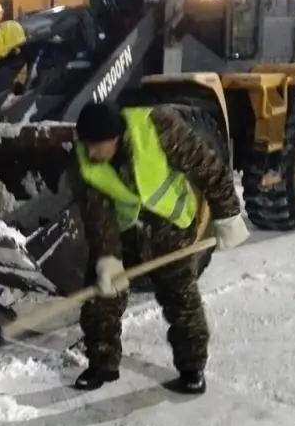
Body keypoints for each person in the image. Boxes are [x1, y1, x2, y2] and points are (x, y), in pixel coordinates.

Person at [71, 101, 250, 395]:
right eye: (86, 144)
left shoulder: (159, 127)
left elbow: (206, 165)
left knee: (180, 295)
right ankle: (102, 363)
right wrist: (108, 256)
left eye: (95, 145)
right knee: (102, 294)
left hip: (169, 225)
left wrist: (227, 213)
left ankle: (192, 369)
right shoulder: (84, 159)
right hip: (125, 230)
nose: (90, 153)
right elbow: (97, 212)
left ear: (114, 137)